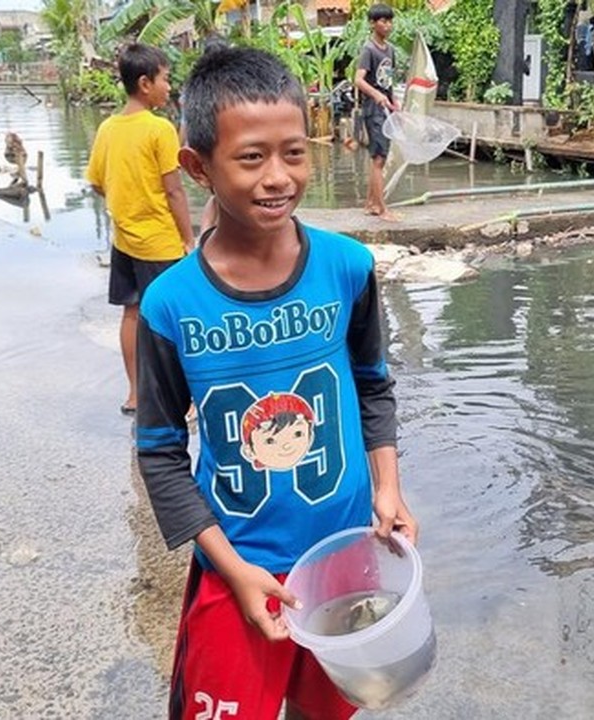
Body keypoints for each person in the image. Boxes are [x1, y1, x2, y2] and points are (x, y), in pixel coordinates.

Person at [135, 45, 419, 719]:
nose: (277, 177)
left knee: (333, 707)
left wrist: (388, 488)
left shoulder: (348, 267)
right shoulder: (170, 305)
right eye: (251, 157)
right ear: (198, 167)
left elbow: (372, 386)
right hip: (239, 564)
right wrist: (231, 570)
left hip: (345, 554)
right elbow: (160, 451)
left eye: (293, 153)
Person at [86, 43, 194, 416]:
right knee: (173, 319)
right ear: (146, 83)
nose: (169, 87)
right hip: (160, 242)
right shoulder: (160, 129)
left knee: (131, 314)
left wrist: (125, 200)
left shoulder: (107, 128)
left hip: (124, 240)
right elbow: (174, 190)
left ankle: (135, 394)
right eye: (166, 79)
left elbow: (96, 183)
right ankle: (182, 400)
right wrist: (188, 239)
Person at [353, 3, 399, 221]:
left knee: (381, 157)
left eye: (390, 21)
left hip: (385, 107)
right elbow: (358, 80)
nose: (387, 25)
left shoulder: (390, 50)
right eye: (383, 21)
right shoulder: (368, 50)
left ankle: (371, 204)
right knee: (378, 159)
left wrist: (393, 101)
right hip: (373, 108)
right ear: (373, 23)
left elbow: (388, 80)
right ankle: (382, 209)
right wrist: (376, 95)